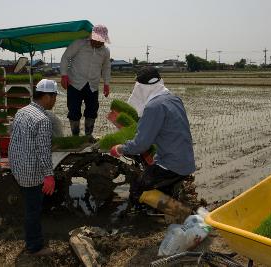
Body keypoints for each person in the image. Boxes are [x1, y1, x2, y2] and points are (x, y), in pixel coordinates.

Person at [109, 66, 196, 204]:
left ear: (142, 87)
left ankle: (177, 214)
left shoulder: (153, 107)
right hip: (187, 161)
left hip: (171, 165)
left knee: (138, 190)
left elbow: (141, 145)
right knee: (160, 188)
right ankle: (168, 204)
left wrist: (120, 148)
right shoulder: (174, 99)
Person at [8, 79, 58, 256]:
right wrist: (49, 176)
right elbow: (43, 152)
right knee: (33, 210)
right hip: (31, 172)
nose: (55, 101)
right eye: (54, 97)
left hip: (18, 167)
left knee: (30, 206)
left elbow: (12, 136)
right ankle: (34, 246)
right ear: (46, 96)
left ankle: (32, 240)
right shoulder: (42, 119)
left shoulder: (22, 111)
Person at [60, 24, 111, 137]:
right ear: (92, 36)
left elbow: (106, 67)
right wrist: (64, 75)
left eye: (101, 41)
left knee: (92, 111)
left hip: (93, 85)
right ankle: (75, 135)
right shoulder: (79, 44)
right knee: (73, 111)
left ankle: (88, 135)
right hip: (75, 83)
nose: (98, 43)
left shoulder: (105, 51)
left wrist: (106, 84)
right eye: (97, 40)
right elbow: (65, 57)